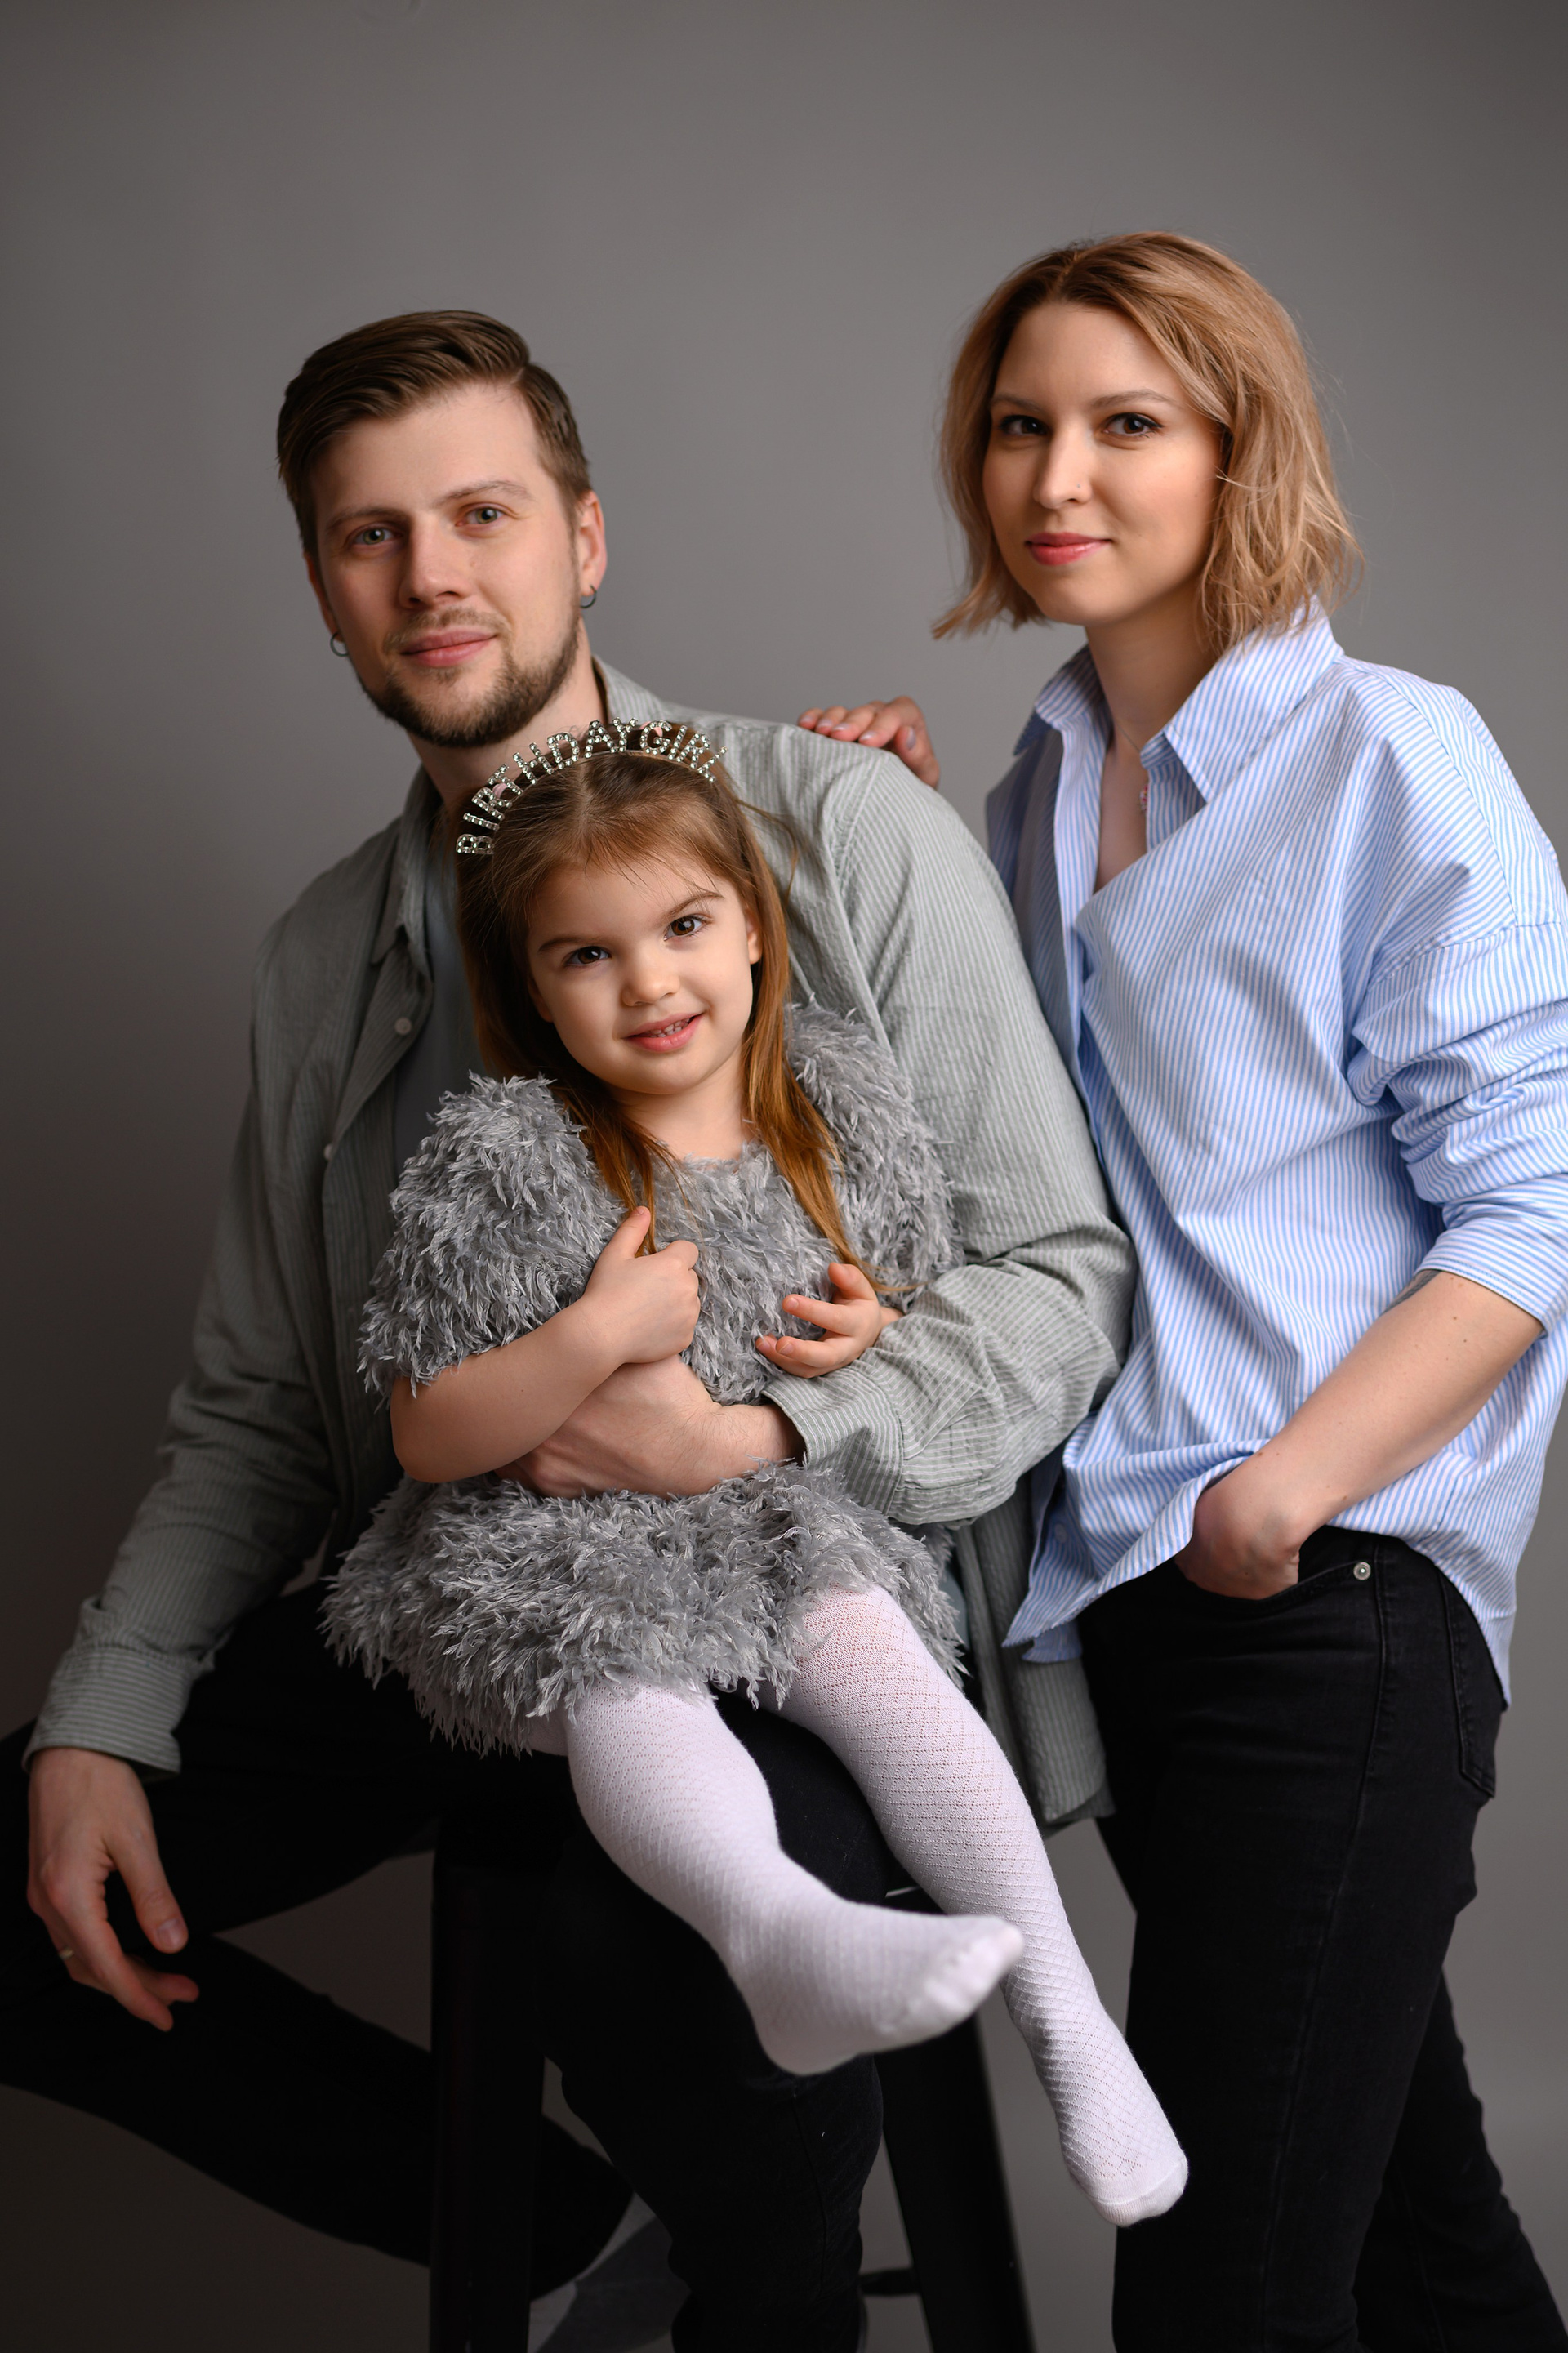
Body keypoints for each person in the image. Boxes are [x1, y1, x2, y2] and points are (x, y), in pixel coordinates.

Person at [2, 310, 1135, 2353]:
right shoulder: (320, 957)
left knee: (722, 2025)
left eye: (483, 515)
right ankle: (542, 2218)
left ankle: (741, 2275)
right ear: (323, 587)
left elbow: (1062, 1274)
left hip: (794, 1573)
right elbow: (261, 1414)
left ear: (585, 539)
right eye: (370, 536)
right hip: (455, 1588)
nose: (431, 577)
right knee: (11, 1890)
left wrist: (768, 1435)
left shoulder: (836, 827)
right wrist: (107, 1711)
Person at [801, 231, 1568, 2350]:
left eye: (1128, 422)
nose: (1059, 472)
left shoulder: (1393, 757)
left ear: (1242, 451)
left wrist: (1279, 1495)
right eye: (1020, 423)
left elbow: (1532, 1212)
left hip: (1321, 1601)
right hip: (1128, 1606)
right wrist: (892, 843)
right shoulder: (1039, 786)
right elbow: (1017, 1177)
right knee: (1415, 2241)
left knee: (1221, 2288)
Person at [327, 720, 1187, 2226]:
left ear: (752, 927)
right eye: (587, 955)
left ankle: (1069, 2024)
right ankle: (776, 1931)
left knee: (886, 1662)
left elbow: (922, 1295)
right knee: (630, 1683)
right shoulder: (510, 1151)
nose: (650, 983)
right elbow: (426, 1429)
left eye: (684, 927)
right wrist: (591, 1335)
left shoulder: (832, 1109)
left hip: (762, 1518)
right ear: (530, 986)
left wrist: (878, 1331)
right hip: (557, 1546)